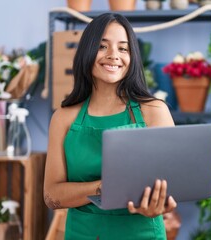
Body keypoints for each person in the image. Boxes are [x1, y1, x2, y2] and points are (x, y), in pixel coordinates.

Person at [43, 12, 177, 239]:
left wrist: (159, 204)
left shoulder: (154, 112)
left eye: (123, 48)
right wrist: (103, 188)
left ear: (132, 56)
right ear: (87, 51)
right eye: (102, 46)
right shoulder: (63, 118)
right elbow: (51, 195)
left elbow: (172, 185)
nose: (114, 55)